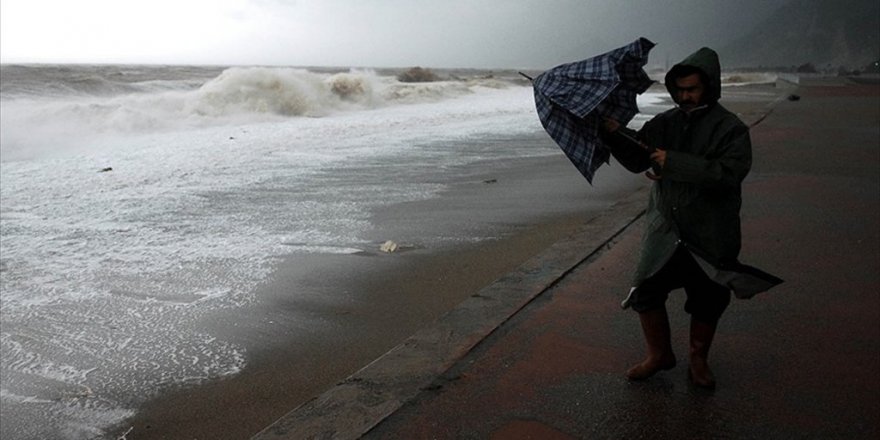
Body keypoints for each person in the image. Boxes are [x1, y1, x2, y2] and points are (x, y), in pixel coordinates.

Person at [601, 47, 751, 389]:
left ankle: (698, 359)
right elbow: (640, 157)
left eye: (692, 89)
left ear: (709, 87)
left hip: (710, 230)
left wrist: (675, 163)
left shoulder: (731, 129)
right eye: (679, 89)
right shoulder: (665, 122)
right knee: (645, 291)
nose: (684, 96)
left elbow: (728, 174)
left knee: (709, 299)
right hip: (665, 228)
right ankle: (660, 355)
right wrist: (613, 133)